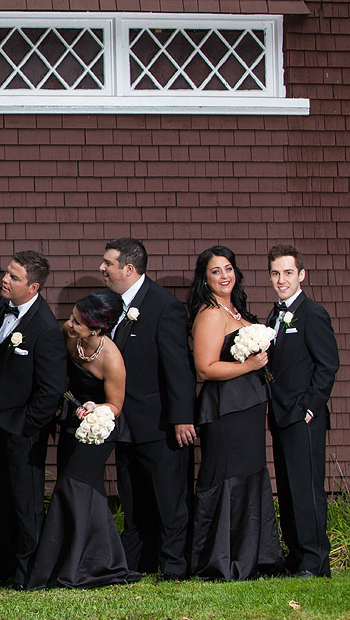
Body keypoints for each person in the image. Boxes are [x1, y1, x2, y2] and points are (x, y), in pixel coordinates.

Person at [26, 292, 140, 589]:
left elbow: (115, 405)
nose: (69, 324)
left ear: (97, 329)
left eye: (77, 322)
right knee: (81, 490)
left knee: (72, 486)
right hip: (71, 422)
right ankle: (96, 560)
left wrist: (95, 408)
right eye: (72, 317)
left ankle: (76, 565)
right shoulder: (68, 334)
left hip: (97, 430)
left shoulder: (112, 359)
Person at [100, 238, 195, 580]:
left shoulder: (163, 306)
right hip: (125, 425)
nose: (102, 269)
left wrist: (182, 417)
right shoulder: (111, 305)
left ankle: (174, 568)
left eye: (108, 263)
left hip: (159, 424)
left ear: (128, 269)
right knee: (134, 499)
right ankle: (137, 565)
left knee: (170, 500)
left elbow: (178, 367)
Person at [187, 246, 283, 580]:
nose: (224, 276)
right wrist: (250, 364)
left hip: (250, 407)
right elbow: (206, 367)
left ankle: (252, 555)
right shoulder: (211, 313)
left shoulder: (236, 309)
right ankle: (220, 559)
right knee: (227, 477)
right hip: (226, 409)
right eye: (216, 271)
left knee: (251, 475)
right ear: (205, 278)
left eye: (228, 268)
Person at [0, 250, 68, 588]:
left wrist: (26, 427)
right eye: (7, 272)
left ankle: (30, 574)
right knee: (2, 499)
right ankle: (2, 566)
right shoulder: (4, 307)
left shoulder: (45, 328)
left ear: (33, 287)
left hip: (23, 432)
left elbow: (51, 390)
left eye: (14, 277)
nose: (5, 279)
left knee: (27, 504)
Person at [265, 244, 339, 578]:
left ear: (302, 275)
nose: (281, 279)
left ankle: (315, 561)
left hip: (304, 418)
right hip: (280, 416)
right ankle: (296, 557)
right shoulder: (273, 315)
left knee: (307, 491)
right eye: (276, 273)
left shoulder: (314, 313)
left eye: (288, 273)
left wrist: (310, 407)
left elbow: (328, 366)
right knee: (290, 489)